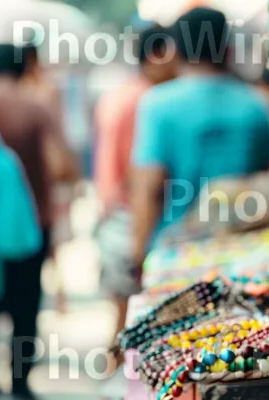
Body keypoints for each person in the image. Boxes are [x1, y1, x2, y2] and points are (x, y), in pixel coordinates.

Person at [131, 8, 269, 277]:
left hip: (177, 256)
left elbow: (148, 190)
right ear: (228, 47)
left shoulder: (157, 105)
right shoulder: (255, 103)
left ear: (175, 49)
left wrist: (138, 254)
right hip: (245, 253)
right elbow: (265, 180)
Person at [0, 43, 77, 399]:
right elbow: (61, 166)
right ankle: (20, 382)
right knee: (25, 306)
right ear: (26, 67)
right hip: (30, 226)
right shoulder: (34, 106)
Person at [95, 24, 177, 352]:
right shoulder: (148, 99)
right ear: (156, 55)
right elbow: (142, 178)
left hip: (113, 214)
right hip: (131, 217)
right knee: (133, 324)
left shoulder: (119, 95)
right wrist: (141, 246)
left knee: (122, 316)